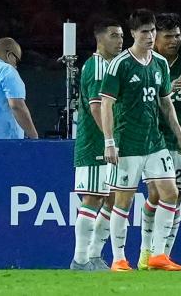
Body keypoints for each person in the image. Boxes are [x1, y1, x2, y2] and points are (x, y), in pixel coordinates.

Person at [100, 10, 181, 272]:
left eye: (152, 31)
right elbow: (106, 103)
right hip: (128, 143)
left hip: (155, 142)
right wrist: (109, 141)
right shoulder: (120, 64)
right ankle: (118, 258)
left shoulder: (160, 63)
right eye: (144, 32)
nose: (149, 36)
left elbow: (165, 101)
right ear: (133, 34)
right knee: (123, 201)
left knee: (171, 194)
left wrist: (179, 134)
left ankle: (157, 255)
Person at [137, 13, 181, 269]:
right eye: (168, 36)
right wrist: (169, 89)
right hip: (155, 139)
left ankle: (162, 253)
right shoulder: (146, 63)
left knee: (177, 196)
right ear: (155, 38)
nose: (174, 41)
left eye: (177, 35)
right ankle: (145, 250)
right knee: (156, 194)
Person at [70, 19, 123, 271]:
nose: (120, 40)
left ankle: (94, 255)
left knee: (111, 199)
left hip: (106, 143)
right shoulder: (98, 66)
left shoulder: (112, 66)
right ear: (99, 39)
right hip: (95, 143)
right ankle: (80, 259)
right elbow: (96, 106)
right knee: (93, 197)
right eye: (113, 35)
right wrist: (109, 140)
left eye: (122, 35)